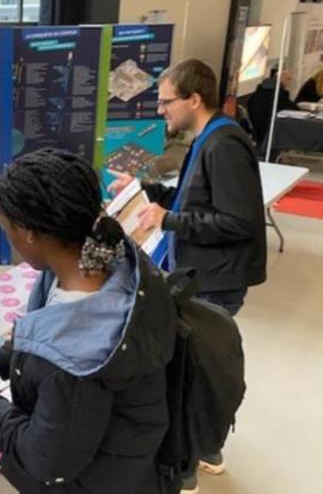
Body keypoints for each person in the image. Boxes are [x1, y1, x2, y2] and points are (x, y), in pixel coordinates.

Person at [0, 148, 178, 493]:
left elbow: (46, 461)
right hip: (123, 449)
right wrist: (0, 359)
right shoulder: (99, 259)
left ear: (28, 233)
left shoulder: (80, 360)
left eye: (5, 228)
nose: (6, 238)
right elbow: (50, 329)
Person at [109, 59, 266, 494]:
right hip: (203, 272)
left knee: (195, 371)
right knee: (199, 364)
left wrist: (171, 221)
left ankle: (187, 465)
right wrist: (143, 192)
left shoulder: (224, 144)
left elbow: (239, 222)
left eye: (165, 102)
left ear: (194, 99)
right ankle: (206, 450)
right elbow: (192, 197)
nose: (161, 110)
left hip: (216, 278)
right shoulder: (207, 137)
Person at [246, 67, 298, 146]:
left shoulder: (260, 90)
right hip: (270, 131)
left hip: (257, 130)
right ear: (282, 80)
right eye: (289, 79)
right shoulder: (278, 94)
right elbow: (291, 109)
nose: (290, 82)